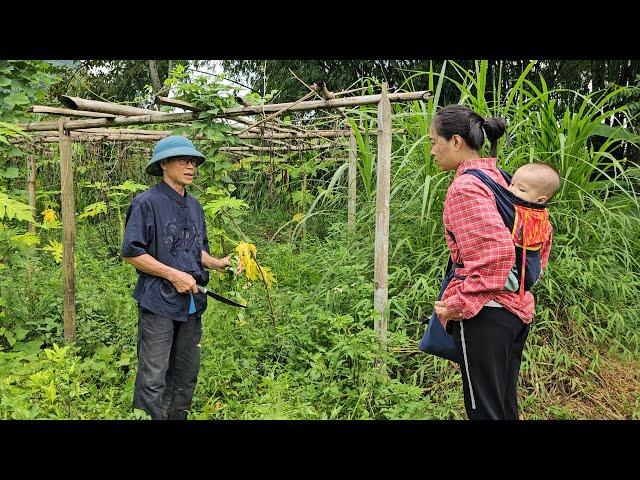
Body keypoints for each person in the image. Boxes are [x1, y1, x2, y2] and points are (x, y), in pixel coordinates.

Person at [428, 105, 559, 420]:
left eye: (434, 141)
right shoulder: (500, 178)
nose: (432, 150)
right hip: (514, 311)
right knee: (502, 408)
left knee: (484, 412)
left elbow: (496, 256)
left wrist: (459, 302)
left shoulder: (466, 187)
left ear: (456, 142)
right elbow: (540, 236)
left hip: (486, 315)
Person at [121, 135, 232, 420]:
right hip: (158, 301)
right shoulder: (146, 203)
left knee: (186, 371)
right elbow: (131, 253)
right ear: (164, 164)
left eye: (193, 161)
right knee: (154, 374)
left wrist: (218, 263)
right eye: (183, 160)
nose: (190, 165)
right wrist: (173, 275)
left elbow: (196, 250)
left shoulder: (194, 206)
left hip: (191, 303)